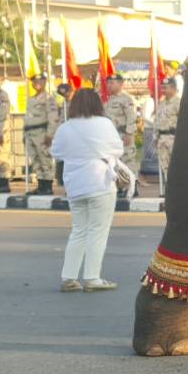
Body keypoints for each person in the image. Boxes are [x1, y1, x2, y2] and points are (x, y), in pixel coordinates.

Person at [49, 88, 123, 292]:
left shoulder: (66, 127)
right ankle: (92, 277)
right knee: (98, 231)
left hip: (75, 184)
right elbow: (119, 149)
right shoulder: (104, 124)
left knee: (79, 230)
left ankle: (69, 277)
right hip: (100, 182)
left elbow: (56, 152)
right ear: (97, 104)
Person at [103, 75, 141, 196]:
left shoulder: (126, 98)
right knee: (116, 162)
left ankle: (132, 187)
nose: (109, 85)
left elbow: (131, 117)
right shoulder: (109, 100)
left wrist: (129, 133)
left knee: (128, 161)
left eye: (112, 83)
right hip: (112, 136)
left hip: (123, 134)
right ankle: (121, 186)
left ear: (120, 84)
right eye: (108, 83)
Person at [23, 74, 61, 195]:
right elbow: (27, 118)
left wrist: (50, 135)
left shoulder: (49, 99)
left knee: (45, 159)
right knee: (35, 160)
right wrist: (24, 135)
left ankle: (48, 186)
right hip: (31, 133)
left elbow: (53, 118)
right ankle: (41, 184)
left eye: (40, 80)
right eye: (34, 81)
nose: (37, 83)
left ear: (45, 82)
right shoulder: (31, 99)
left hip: (42, 133)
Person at [151, 77, 182, 191]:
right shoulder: (162, 103)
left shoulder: (179, 103)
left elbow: (183, 121)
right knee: (165, 166)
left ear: (173, 88)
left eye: (165, 88)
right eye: (162, 88)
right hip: (162, 139)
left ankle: (179, 189)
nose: (163, 90)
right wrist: (155, 136)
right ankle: (170, 190)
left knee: (176, 166)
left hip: (173, 138)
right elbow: (157, 121)